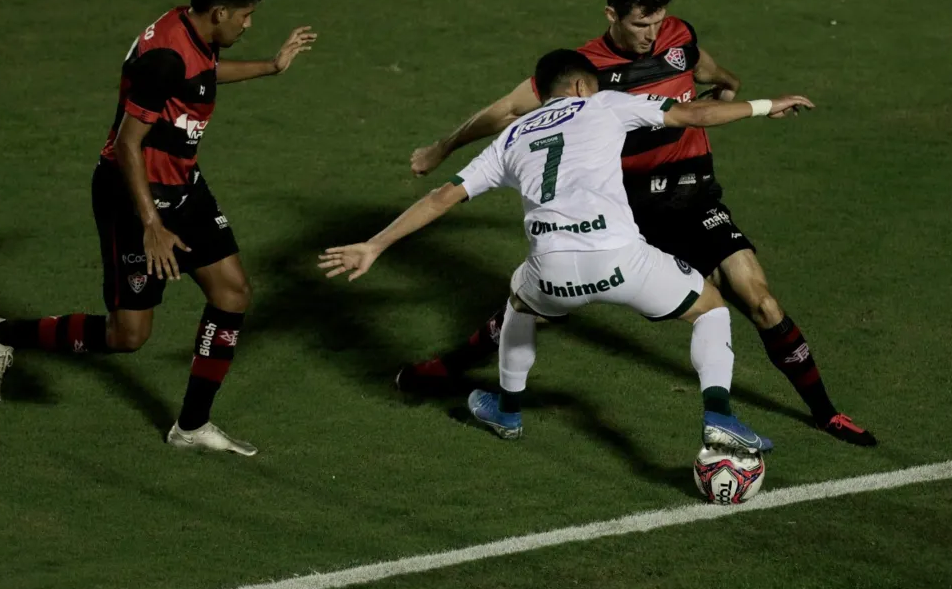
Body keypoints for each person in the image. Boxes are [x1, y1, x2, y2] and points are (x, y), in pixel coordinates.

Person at [402, 0, 874, 446]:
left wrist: (730, 83)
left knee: (762, 300)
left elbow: (701, 69)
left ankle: (826, 413)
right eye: (639, 26)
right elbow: (505, 111)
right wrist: (443, 148)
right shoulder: (584, 71)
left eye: (657, 22)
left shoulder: (677, 36)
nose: (651, 35)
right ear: (612, 16)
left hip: (693, 198)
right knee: (528, 311)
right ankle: (449, 369)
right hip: (630, 209)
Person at [321, 49, 811, 450]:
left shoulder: (511, 136)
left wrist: (374, 245)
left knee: (518, 298)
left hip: (552, 269)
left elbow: (441, 197)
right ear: (580, 86)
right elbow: (693, 113)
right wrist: (768, 105)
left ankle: (508, 413)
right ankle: (719, 415)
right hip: (622, 258)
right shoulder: (603, 104)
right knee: (711, 308)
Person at [0, 0, 317, 456]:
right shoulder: (164, 59)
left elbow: (202, 77)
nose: (249, 23)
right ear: (219, 12)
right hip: (132, 196)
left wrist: (271, 66)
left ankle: (192, 426)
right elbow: (126, 144)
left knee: (233, 293)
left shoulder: (191, 30)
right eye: (245, 15)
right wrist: (151, 225)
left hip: (183, 185)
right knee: (128, 335)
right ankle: (0, 333)